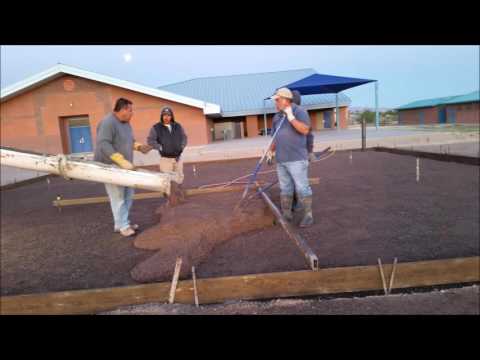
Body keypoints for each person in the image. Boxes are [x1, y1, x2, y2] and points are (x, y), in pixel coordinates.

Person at [94, 98, 152, 237]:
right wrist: (120, 161)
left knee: (128, 195)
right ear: (123, 109)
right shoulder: (108, 122)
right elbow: (104, 144)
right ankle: (123, 226)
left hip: (125, 167)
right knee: (118, 196)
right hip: (110, 166)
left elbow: (129, 140)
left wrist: (139, 146)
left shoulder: (126, 124)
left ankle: (121, 223)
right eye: (130, 110)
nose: (132, 113)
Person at [266, 88, 314, 227]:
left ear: (286, 99)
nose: (275, 102)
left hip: (297, 159)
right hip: (281, 159)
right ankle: (286, 215)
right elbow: (275, 137)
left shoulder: (300, 111)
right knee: (285, 188)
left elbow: (305, 130)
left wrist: (291, 117)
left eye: (277, 100)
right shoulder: (277, 117)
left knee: (302, 188)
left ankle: (308, 216)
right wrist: (271, 152)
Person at [147, 106, 187, 186]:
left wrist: (181, 147)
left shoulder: (178, 126)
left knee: (179, 179)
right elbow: (150, 141)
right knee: (166, 181)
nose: (166, 117)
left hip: (177, 158)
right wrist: (160, 147)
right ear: (161, 116)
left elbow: (184, 137)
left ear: (172, 116)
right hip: (165, 160)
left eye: (168, 115)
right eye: (164, 115)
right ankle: (169, 198)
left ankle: (178, 196)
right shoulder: (156, 128)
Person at [291, 90, 316, 162]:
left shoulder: (285, 112)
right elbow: (309, 134)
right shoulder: (302, 112)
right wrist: (310, 152)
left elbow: (309, 133)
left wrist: (310, 152)